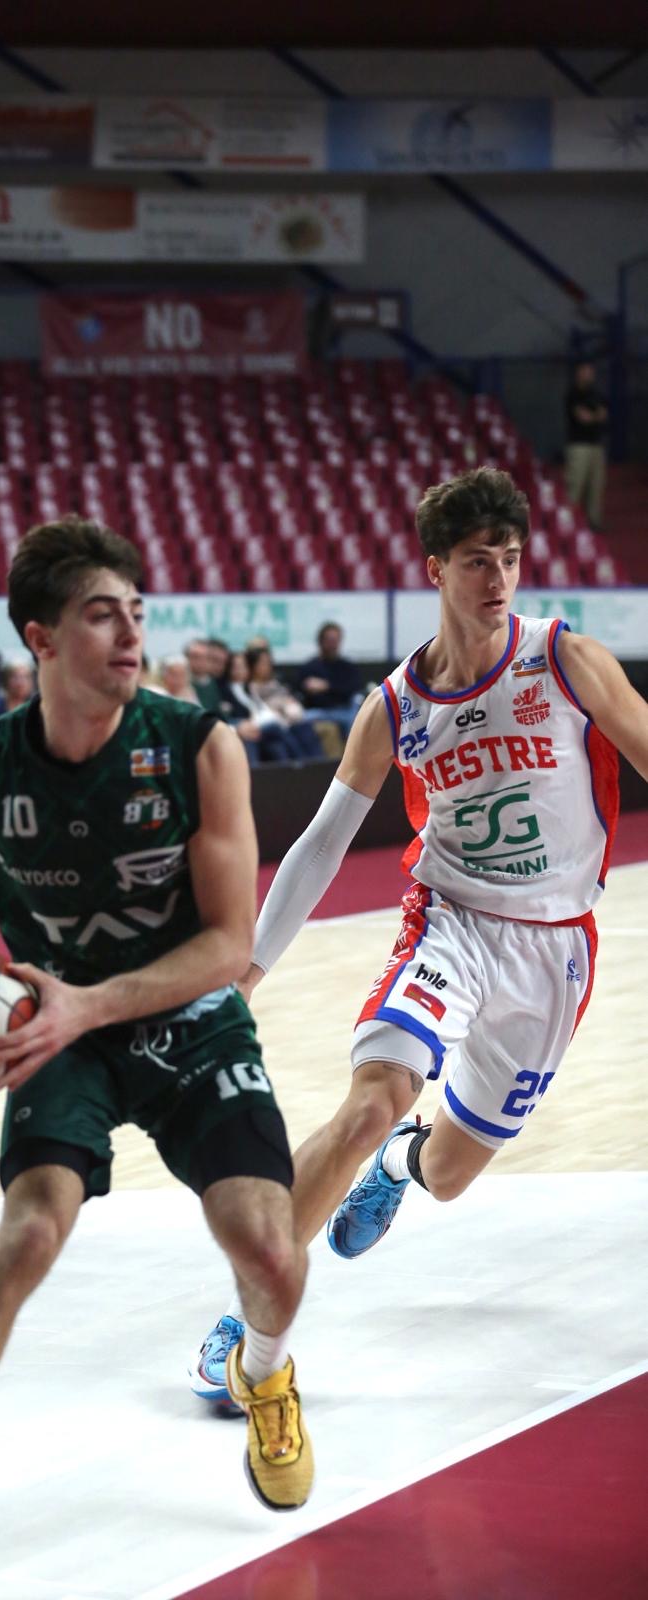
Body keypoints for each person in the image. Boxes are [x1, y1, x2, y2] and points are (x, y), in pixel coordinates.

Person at [0, 517, 313, 1584]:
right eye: (102, 612)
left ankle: (265, 1374)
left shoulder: (198, 743)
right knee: (28, 1231)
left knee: (268, 1249)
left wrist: (88, 1004)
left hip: (179, 1011)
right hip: (50, 1021)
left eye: (137, 611)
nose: (130, 631)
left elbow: (230, 944)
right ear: (41, 639)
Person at [190, 464, 648, 1411]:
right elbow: (321, 844)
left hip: (555, 951)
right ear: (435, 568)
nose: (498, 579)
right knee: (366, 1101)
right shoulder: (396, 708)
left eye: (511, 559)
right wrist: (248, 973)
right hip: (449, 925)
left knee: (447, 1171)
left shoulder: (565, 659)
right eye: (477, 561)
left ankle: (404, 1160)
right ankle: (250, 1317)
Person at [298, 621, 364, 746]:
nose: (333, 644)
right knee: (300, 719)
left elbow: (353, 688)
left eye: (336, 640)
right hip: (318, 711)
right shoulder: (309, 667)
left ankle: (355, 755)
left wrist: (326, 686)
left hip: (343, 711)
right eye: (329, 640)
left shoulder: (347, 667)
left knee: (356, 717)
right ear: (320, 641)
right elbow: (302, 691)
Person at [564, 360, 608, 531]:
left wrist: (594, 417)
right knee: (575, 486)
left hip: (596, 445)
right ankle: (569, 524)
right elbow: (583, 417)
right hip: (578, 446)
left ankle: (593, 522)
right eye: (585, 371)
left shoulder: (597, 394)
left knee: (596, 486)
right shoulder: (573, 394)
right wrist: (595, 416)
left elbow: (603, 415)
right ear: (578, 373)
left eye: (590, 371)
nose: (588, 374)